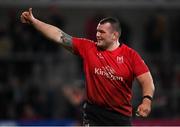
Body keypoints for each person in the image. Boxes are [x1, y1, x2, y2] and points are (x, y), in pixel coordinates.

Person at [20, 8, 155, 126]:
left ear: (115, 35)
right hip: (93, 115)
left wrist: (146, 101)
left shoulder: (131, 56)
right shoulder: (88, 48)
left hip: (120, 118)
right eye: (97, 31)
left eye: (101, 32)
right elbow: (59, 36)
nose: (97, 35)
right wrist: (35, 21)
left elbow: (147, 80)